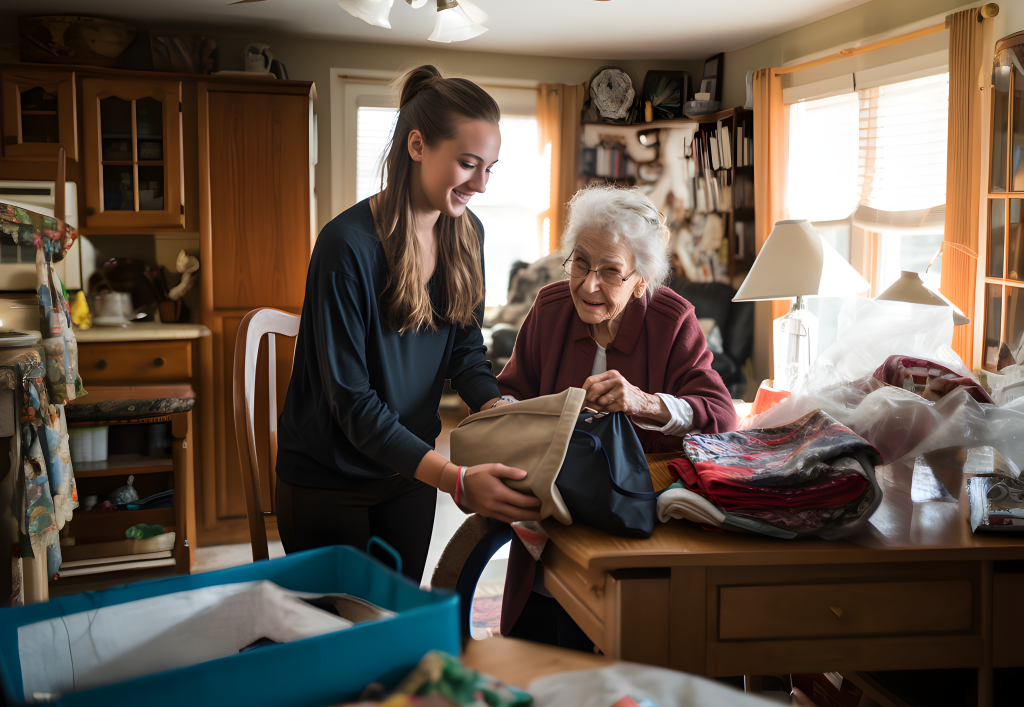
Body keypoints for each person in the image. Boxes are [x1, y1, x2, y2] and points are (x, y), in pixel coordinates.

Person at [275, 65, 541, 583]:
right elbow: (351, 400)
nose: (481, 184)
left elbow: (465, 351)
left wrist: (497, 406)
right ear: (417, 146)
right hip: (330, 477)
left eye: (491, 168)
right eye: (468, 164)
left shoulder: (467, 234)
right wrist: (454, 479)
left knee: (396, 623)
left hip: (406, 470)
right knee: (341, 639)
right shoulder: (345, 246)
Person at [496, 184, 737, 648]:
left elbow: (722, 417)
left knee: (630, 646)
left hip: (639, 520)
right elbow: (509, 394)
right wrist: (510, 415)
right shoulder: (550, 309)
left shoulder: (672, 319)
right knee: (548, 648)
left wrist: (645, 402)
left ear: (641, 280)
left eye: (611, 272)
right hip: (556, 514)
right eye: (581, 263)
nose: (588, 285)